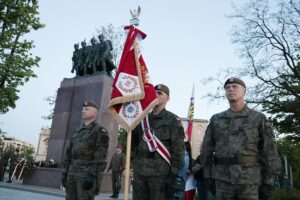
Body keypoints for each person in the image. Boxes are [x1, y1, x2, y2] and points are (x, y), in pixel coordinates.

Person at [200, 77, 282, 200]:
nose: (230, 89)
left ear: (244, 92)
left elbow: (269, 150)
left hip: (249, 180)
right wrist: (207, 176)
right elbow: (206, 149)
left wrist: (269, 180)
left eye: (235, 86)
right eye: (227, 87)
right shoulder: (217, 119)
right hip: (223, 179)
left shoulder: (258, 118)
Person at [132, 84, 185, 200]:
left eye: (159, 93)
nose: (155, 95)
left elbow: (179, 150)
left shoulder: (173, 120)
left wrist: (174, 174)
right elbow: (133, 142)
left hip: (160, 175)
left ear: (168, 99)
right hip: (140, 172)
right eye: (154, 92)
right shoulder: (141, 118)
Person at [62, 100, 109, 200]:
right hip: (72, 172)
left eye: (87, 109)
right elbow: (69, 153)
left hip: (86, 174)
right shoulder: (77, 130)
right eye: (83, 109)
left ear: (95, 113)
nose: (83, 111)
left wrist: (92, 175)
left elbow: (100, 157)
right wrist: (65, 172)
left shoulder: (100, 131)